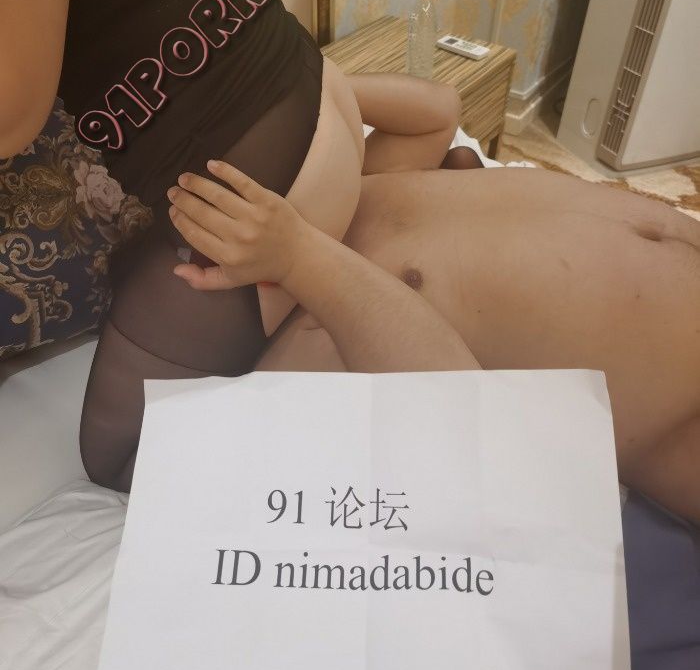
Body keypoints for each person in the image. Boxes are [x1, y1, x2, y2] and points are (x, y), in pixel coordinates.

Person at [2, 0, 455, 492]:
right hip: (300, 83)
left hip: (253, 166)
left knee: (117, 455)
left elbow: (12, 111)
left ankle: (302, 352)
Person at [167, 72, 700, 524]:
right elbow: (454, 409)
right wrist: (297, 259)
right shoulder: (313, 324)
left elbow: (439, 111)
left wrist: (309, 77)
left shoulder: (360, 180)